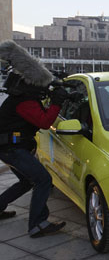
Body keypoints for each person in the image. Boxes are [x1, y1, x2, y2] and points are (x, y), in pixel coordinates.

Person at [0, 72, 68, 238]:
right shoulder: (24, 102)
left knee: (26, 181)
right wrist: (57, 103)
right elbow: (44, 122)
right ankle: (37, 224)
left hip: (10, 147)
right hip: (12, 149)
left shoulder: (22, 98)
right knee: (43, 180)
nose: (44, 88)